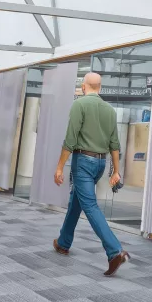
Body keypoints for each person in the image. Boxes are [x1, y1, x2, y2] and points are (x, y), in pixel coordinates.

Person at [52, 71, 130, 276]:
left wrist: (59, 167)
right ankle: (63, 242)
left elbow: (70, 139)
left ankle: (115, 251)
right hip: (101, 163)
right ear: (100, 88)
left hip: (83, 163)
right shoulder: (110, 110)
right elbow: (115, 144)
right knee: (76, 201)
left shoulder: (79, 104)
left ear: (83, 87)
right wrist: (116, 171)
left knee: (90, 205)